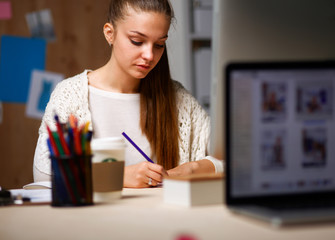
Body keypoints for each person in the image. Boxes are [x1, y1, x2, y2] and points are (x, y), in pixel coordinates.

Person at [33, 0, 223, 188]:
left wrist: (186, 170)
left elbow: (229, 158)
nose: (149, 55)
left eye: (159, 45)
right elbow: (44, 174)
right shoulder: (71, 94)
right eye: (137, 41)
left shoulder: (178, 99)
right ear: (110, 33)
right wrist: (120, 176)